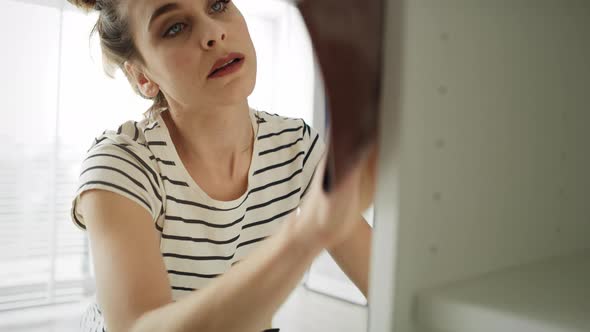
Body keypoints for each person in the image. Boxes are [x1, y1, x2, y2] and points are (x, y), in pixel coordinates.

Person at [68, 0, 377, 331]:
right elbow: (136, 327)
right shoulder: (121, 164)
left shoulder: (295, 146)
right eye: (174, 28)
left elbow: (388, 279)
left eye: (217, 5)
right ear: (142, 76)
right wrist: (306, 235)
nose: (213, 33)